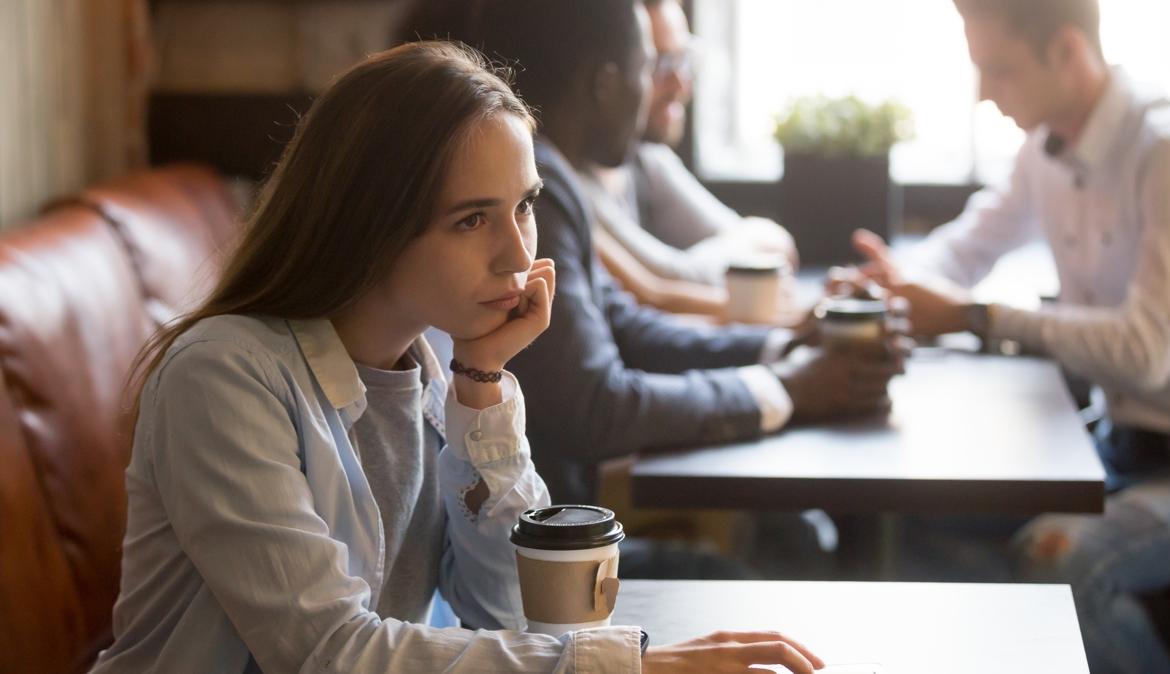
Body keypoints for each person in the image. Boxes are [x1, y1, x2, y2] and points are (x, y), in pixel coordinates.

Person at [89, 41, 826, 673]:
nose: (516, 254)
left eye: (525, 207)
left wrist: (482, 386)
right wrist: (620, 662)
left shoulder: (438, 361)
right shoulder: (223, 376)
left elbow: (505, 610)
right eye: (473, 218)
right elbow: (329, 655)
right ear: (369, 223)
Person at [405, 0, 906, 508]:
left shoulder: (551, 182)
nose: (652, 92)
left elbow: (628, 325)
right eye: (646, 67)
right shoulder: (538, 188)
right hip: (553, 528)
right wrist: (786, 388)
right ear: (604, 83)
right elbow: (597, 408)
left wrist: (783, 345)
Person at [842, 1, 1170, 671]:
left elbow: (1148, 353)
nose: (982, 94)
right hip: (1113, 449)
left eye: (998, 70)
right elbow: (967, 248)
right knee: (920, 516)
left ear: (1066, 52)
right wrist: (893, 285)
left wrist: (980, 316)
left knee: (1056, 561)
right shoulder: (1045, 148)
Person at [579, 0, 801, 317]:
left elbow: (775, 244)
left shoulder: (646, 159)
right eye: (660, 64)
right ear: (606, 78)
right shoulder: (562, 183)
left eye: (684, 60)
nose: (682, 84)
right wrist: (749, 279)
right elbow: (666, 283)